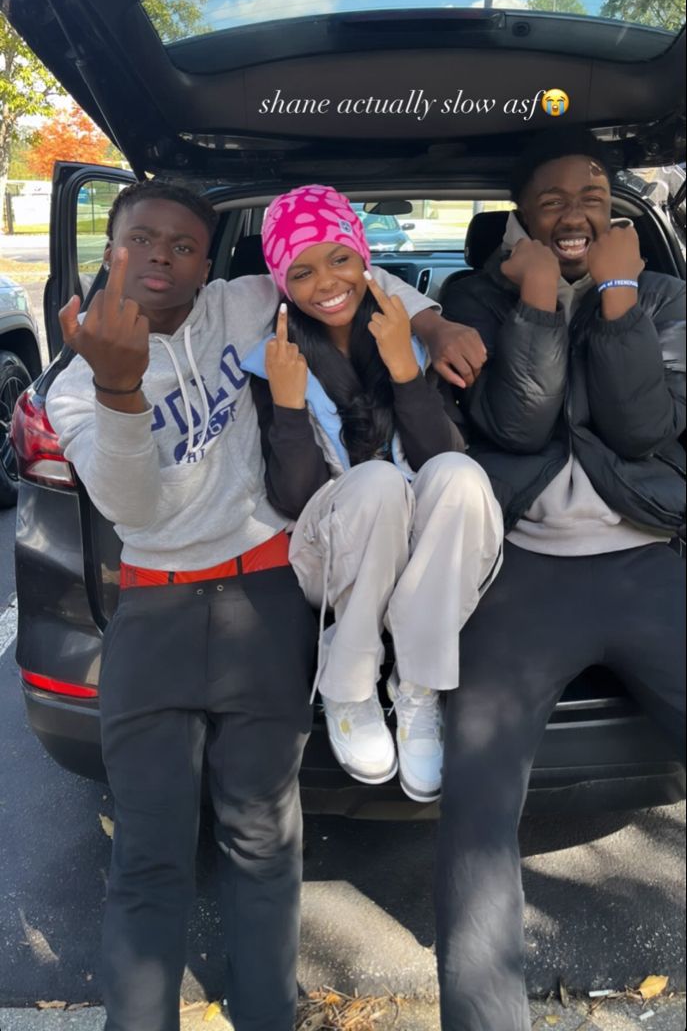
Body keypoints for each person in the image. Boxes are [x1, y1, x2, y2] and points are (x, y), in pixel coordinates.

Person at [45, 179, 490, 1031]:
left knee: (262, 848)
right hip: (154, 614)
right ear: (112, 249)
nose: (163, 258)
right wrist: (119, 390)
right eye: (143, 240)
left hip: (265, 600)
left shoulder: (244, 302)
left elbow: (353, 281)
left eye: (183, 245)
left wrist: (430, 323)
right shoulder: (73, 382)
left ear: (207, 262)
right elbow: (130, 510)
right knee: (148, 860)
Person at [435, 128, 686, 1031]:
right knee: (476, 806)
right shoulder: (474, 296)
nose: (573, 210)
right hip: (522, 573)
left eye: (591, 192)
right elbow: (512, 425)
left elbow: (641, 430)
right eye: (550, 198)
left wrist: (615, 295)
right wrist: (537, 299)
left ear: (616, 206)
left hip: (647, 561)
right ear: (521, 217)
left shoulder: (661, 294)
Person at [241, 185, 503, 803]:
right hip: (331, 553)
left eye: (340, 259)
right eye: (301, 271)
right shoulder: (273, 358)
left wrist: (405, 367)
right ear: (282, 283)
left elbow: (442, 458)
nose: (326, 282)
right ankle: (350, 684)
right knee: (380, 482)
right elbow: (294, 496)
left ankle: (418, 688)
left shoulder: (403, 335)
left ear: (365, 259)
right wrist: (285, 399)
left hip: (423, 546)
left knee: (462, 477)